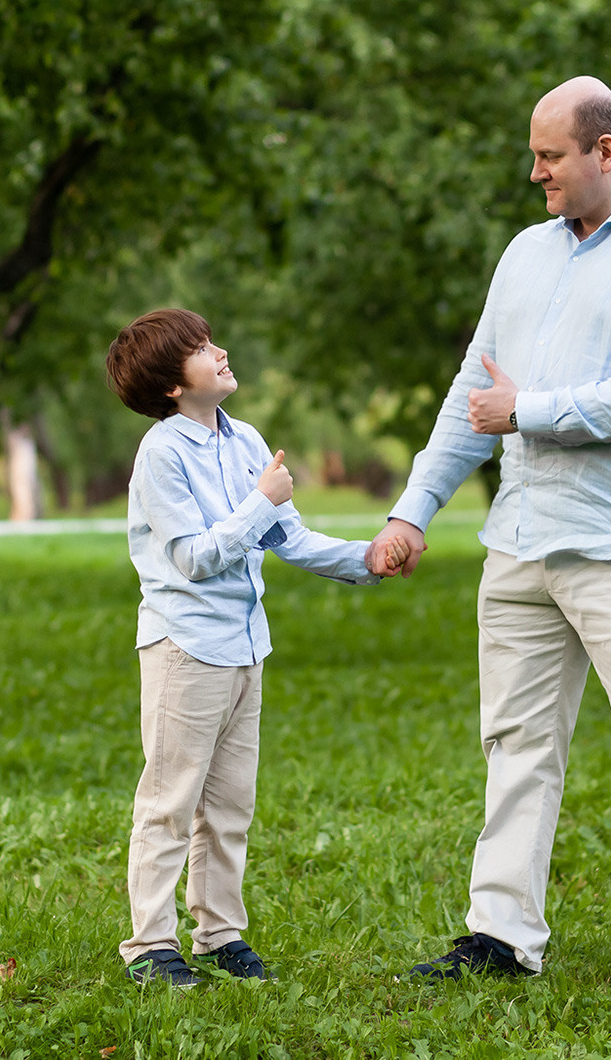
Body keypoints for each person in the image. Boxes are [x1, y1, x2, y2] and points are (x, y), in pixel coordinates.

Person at [369, 76, 611, 984]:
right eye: (535, 155)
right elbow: (470, 395)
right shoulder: (525, 254)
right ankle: (501, 935)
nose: (536, 172)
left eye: (550, 155)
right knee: (516, 742)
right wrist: (416, 506)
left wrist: (530, 411)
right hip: (521, 540)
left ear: (607, 151)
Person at [106, 309, 404, 988]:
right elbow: (193, 557)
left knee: (231, 803)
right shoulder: (162, 454)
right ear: (171, 387)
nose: (220, 350)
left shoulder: (245, 441)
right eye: (201, 349)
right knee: (170, 800)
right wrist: (260, 503)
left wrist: (368, 558)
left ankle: (218, 932)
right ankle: (151, 944)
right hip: (186, 648)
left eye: (212, 339)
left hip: (244, 648)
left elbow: (288, 537)